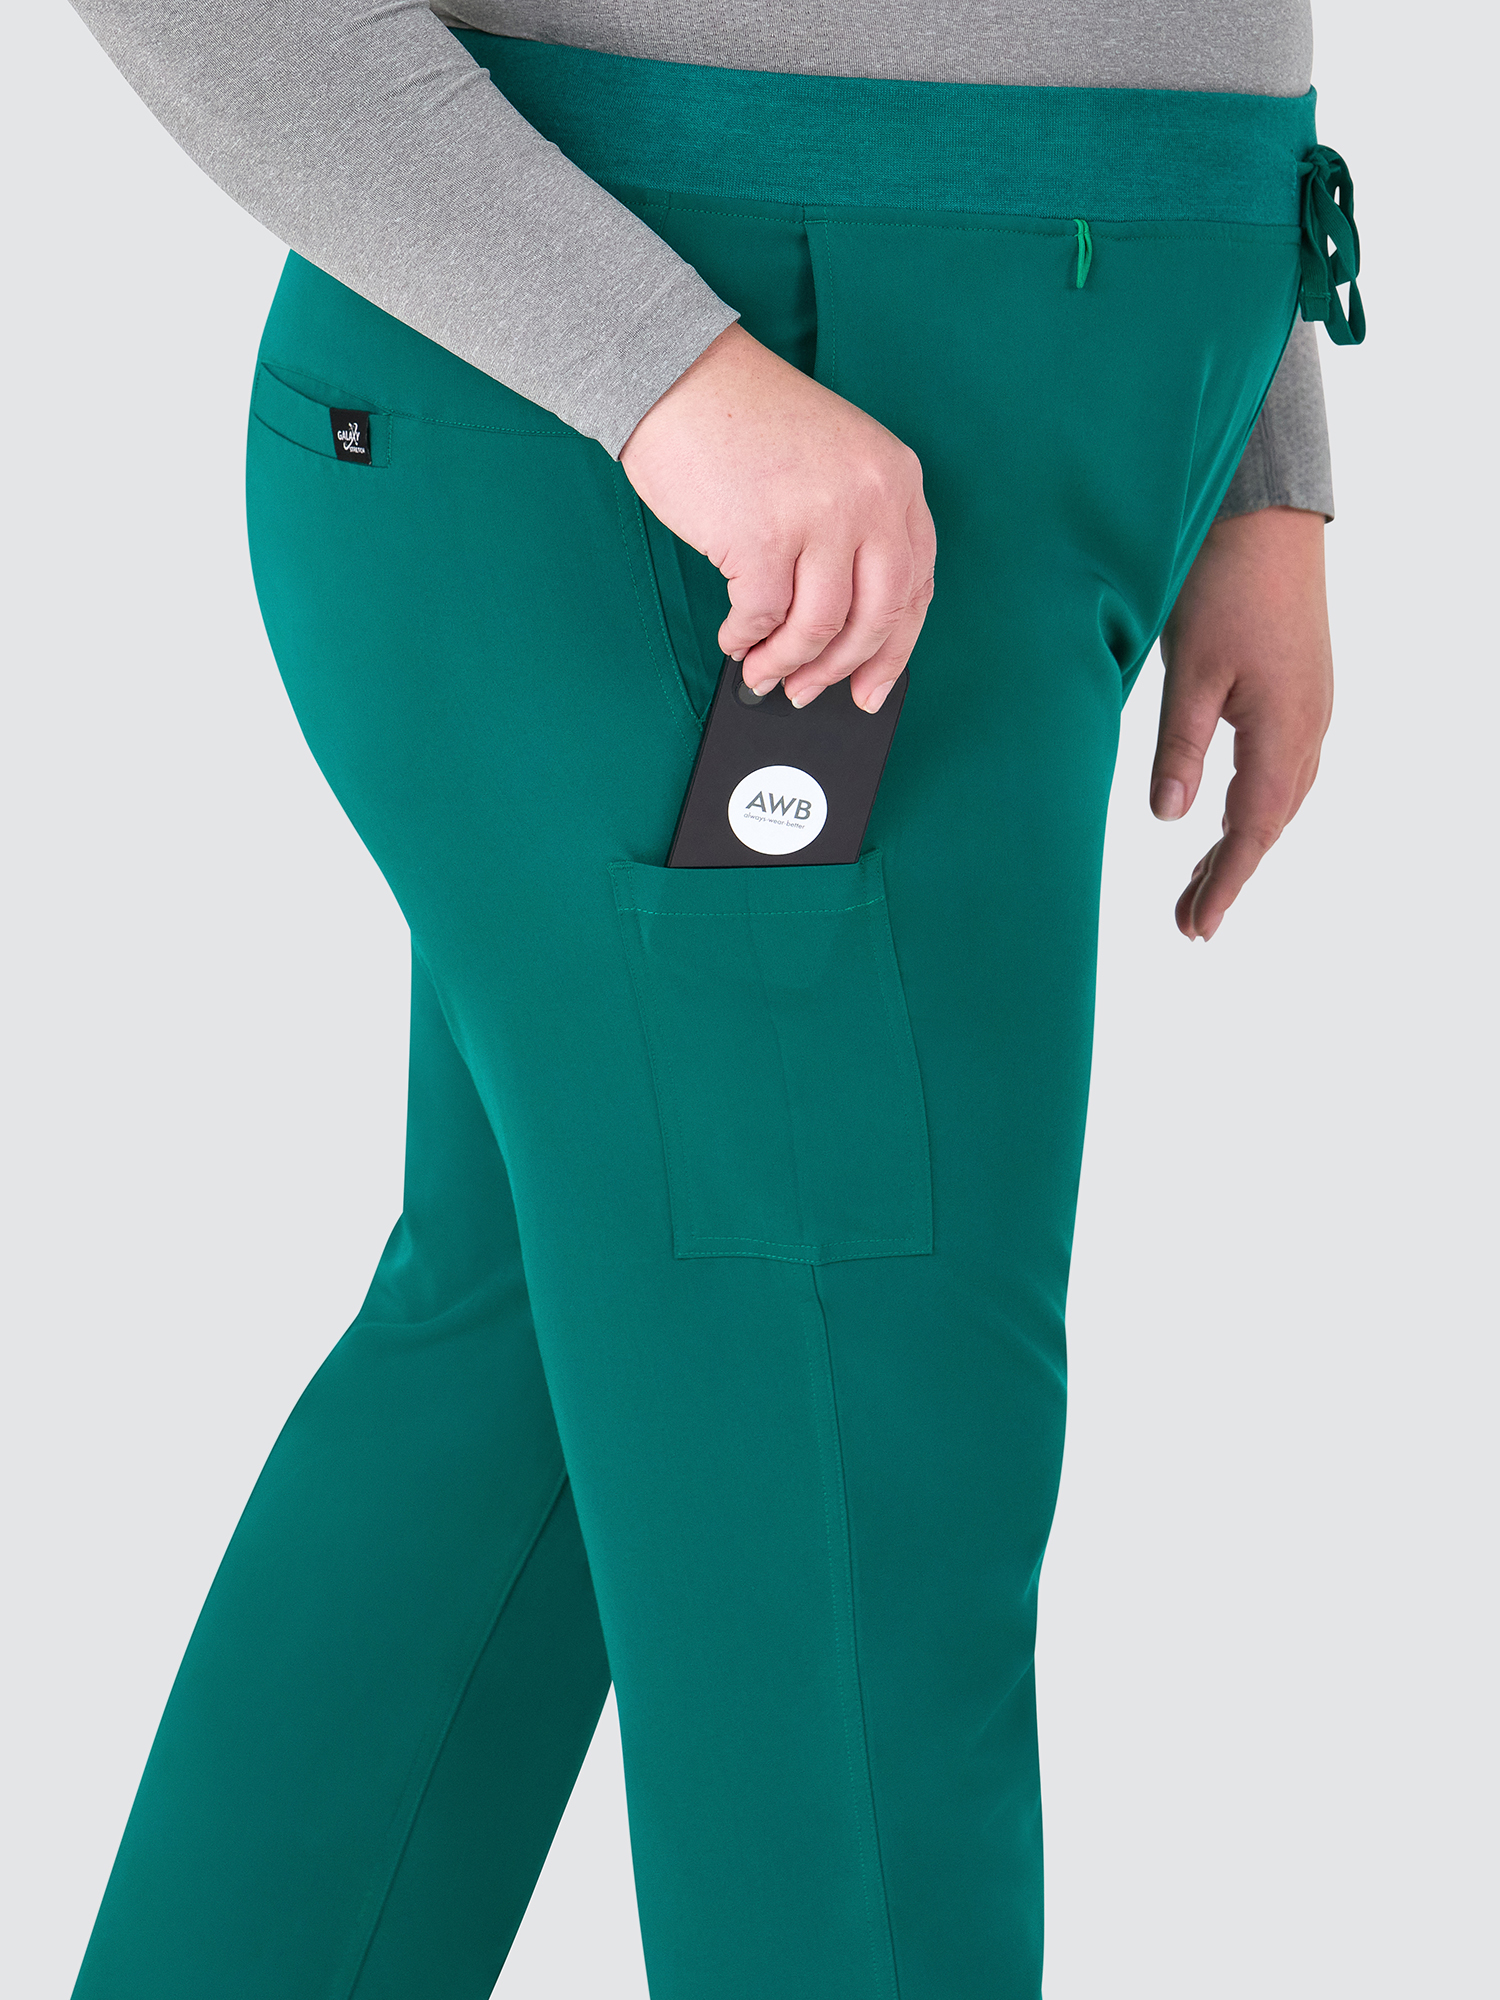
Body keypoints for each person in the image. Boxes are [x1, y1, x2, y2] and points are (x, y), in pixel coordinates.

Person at [61, 5, 1362, 1998]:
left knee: (514, 1415)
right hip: (707, 439)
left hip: (959, 416)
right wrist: (658, 370)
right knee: (854, 1531)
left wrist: (1256, 428)